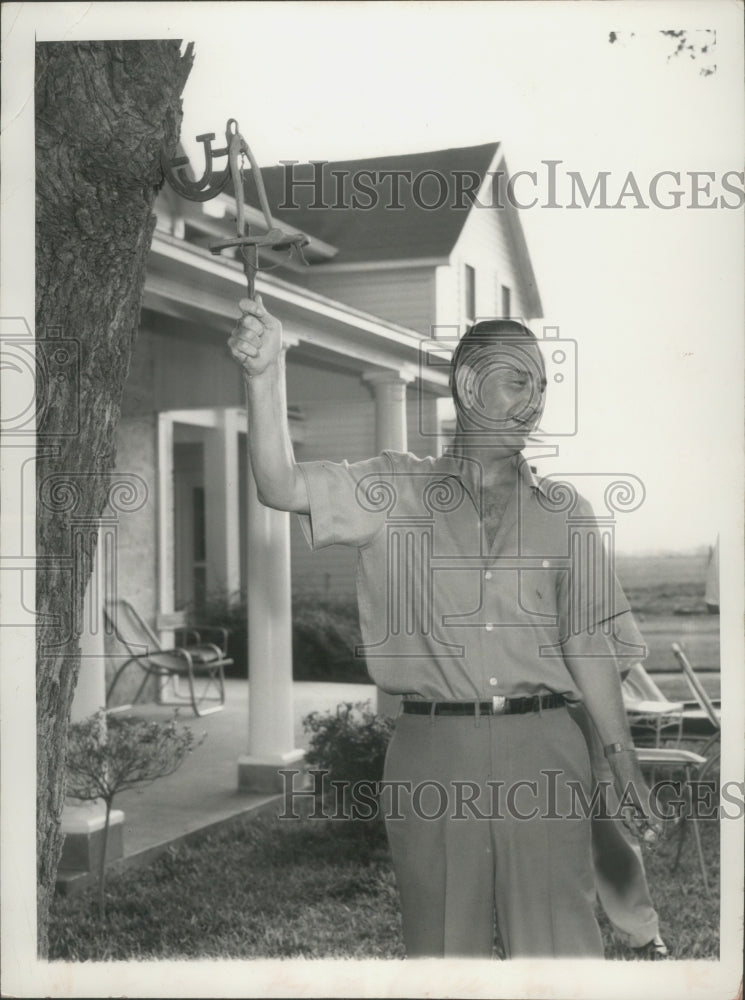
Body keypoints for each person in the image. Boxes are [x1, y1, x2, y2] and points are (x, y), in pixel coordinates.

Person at [228, 299, 664, 959]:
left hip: (544, 748)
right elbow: (280, 485)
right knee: (439, 953)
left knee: (559, 950)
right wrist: (264, 378)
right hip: (432, 751)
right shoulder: (389, 488)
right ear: (466, 385)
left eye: (543, 386)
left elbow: (587, 644)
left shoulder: (563, 511)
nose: (535, 400)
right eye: (520, 380)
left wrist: (622, 764)